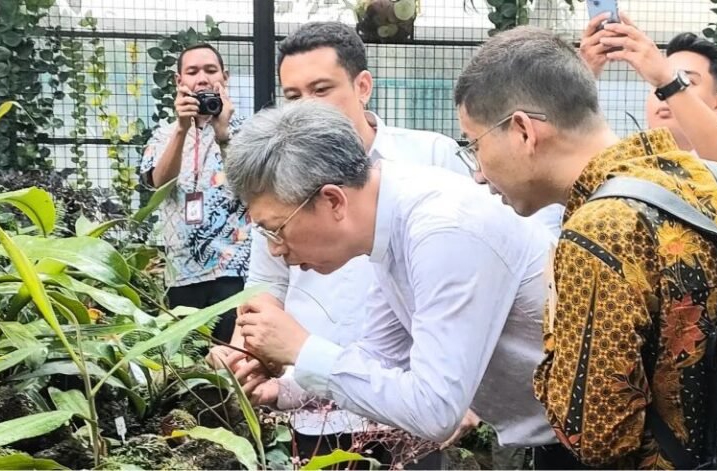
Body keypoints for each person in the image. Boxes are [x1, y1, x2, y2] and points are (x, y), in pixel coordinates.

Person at [208, 21, 488, 467]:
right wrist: (251, 350)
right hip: (316, 398)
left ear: (362, 86)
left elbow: (473, 286)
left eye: (321, 90)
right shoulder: (277, 181)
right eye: (293, 96)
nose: (306, 108)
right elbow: (265, 287)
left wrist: (468, 396)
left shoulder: (430, 161)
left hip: (408, 400)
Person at [454, 26, 717, 468]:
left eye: (474, 144)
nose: (479, 172)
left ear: (524, 131)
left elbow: (596, 437)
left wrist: (554, 337)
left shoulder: (598, 232)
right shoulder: (705, 178)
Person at [221, 100, 557, 453]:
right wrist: (283, 390)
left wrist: (301, 348)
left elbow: (435, 410)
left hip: (590, 441)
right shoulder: (391, 216)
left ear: (333, 201)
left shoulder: (441, 231)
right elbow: (381, 354)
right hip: (556, 430)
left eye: (276, 230)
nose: (276, 251)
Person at [141, 43, 250, 342]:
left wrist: (224, 135)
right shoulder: (163, 135)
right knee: (190, 372)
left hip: (236, 269)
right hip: (182, 272)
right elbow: (159, 189)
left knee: (235, 364)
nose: (201, 78)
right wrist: (181, 129)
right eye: (192, 71)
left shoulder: (250, 131)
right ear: (179, 81)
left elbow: (254, 190)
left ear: (224, 77)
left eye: (210, 70)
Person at [580, 12, 717, 176]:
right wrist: (580, 76)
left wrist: (667, 81)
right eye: (655, 84)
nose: (663, 95)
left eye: (685, 80)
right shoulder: (618, 168)